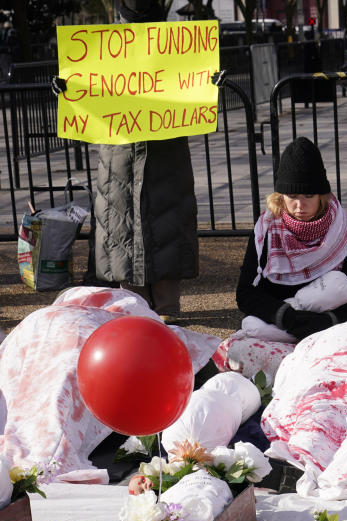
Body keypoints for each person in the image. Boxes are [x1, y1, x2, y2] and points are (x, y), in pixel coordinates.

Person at [92, 0, 199, 322]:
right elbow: (89, 91)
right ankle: (134, 307)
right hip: (122, 154)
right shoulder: (103, 49)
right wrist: (67, 90)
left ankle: (166, 309)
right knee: (123, 226)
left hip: (158, 150)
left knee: (165, 223)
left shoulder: (177, 49)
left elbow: (192, 88)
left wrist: (209, 82)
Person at [235, 137, 347, 341]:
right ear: (280, 197)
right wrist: (285, 316)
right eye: (292, 196)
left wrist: (328, 321)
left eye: (308, 196)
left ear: (321, 196)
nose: (300, 206)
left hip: (328, 323)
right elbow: (245, 293)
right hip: (282, 322)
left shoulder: (341, 226)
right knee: (248, 335)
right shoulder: (267, 229)